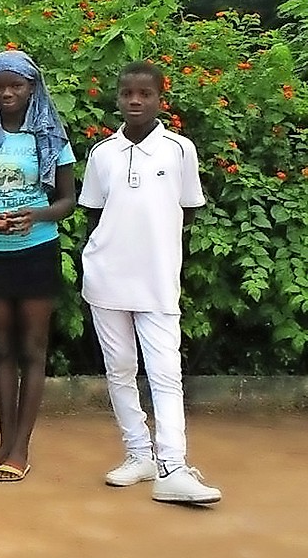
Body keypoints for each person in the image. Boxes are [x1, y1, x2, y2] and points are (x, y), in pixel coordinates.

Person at [79, 61, 220, 505]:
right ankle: (138, 454)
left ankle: (173, 466)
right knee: (120, 369)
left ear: (161, 98)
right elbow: (94, 215)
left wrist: (156, 252)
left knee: (165, 372)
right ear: (117, 98)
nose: (135, 101)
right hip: (106, 281)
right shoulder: (103, 154)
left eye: (145, 94)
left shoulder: (179, 150)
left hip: (157, 283)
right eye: (127, 94)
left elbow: (186, 209)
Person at [0, 49, 76, 483]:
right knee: (2, 349)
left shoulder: (49, 136)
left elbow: (66, 200)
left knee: (33, 350)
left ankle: (21, 447)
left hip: (37, 250)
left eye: (16, 85)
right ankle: (3, 444)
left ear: (31, 88)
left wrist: (34, 216)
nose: (6, 93)